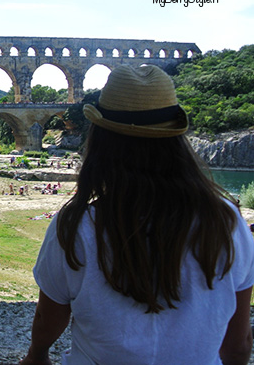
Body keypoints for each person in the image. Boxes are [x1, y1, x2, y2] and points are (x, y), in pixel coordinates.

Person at [20, 65, 254, 365]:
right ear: (176, 140)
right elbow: (238, 344)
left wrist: (36, 355)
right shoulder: (228, 222)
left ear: (100, 143)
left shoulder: (75, 225)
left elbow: (48, 318)